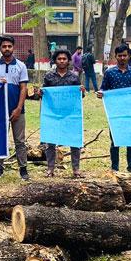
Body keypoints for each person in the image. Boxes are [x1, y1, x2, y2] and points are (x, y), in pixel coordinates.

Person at [0, 35, 30, 181]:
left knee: (20, 141)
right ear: (0, 48)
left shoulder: (21, 66)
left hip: (17, 109)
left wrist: (18, 108)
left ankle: (23, 169)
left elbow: (23, 88)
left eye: (9, 46)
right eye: (4, 46)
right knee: (0, 139)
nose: (7, 49)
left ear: (13, 48)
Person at [97, 44, 131, 172]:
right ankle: (115, 168)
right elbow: (104, 88)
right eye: (120, 56)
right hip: (115, 112)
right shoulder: (109, 73)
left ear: (129, 56)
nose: (122, 58)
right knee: (115, 141)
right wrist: (100, 93)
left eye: (125, 55)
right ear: (116, 57)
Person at [41, 49, 85, 178]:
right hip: (53, 114)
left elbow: (79, 96)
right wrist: (41, 93)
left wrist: (81, 91)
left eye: (64, 59)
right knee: (50, 141)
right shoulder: (49, 76)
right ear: (55, 60)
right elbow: (44, 94)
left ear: (68, 61)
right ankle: (50, 169)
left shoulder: (74, 77)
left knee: (74, 141)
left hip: (70, 114)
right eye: (59, 59)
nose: (62, 61)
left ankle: (76, 169)